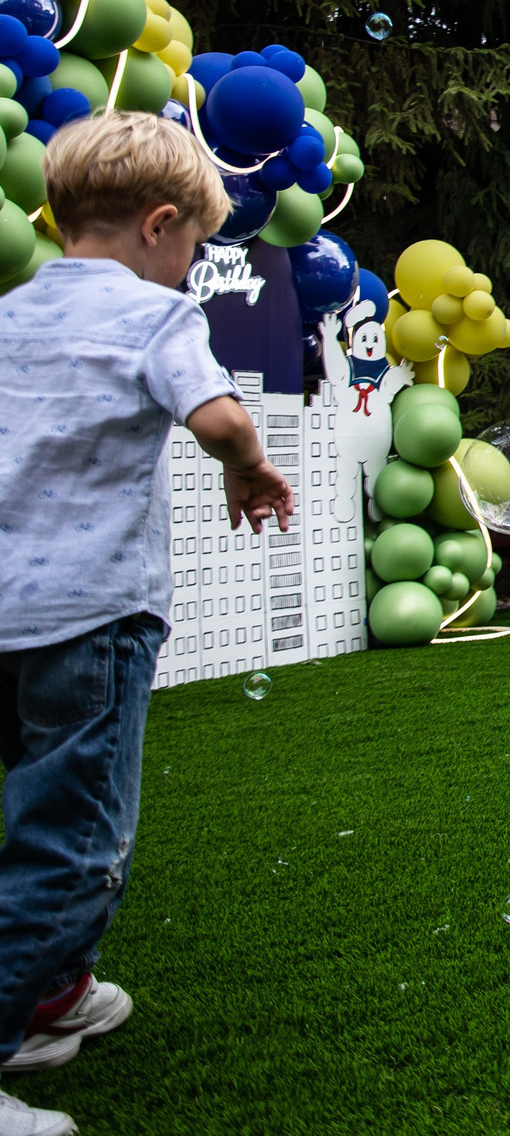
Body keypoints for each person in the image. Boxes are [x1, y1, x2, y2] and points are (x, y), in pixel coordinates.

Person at [0, 112, 295, 1136]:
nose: (185, 273)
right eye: (189, 251)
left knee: (27, 817)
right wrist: (250, 466)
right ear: (159, 225)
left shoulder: (10, 312)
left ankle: (52, 995)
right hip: (90, 620)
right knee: (76, 843)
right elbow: (216, 415)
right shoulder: (155, 316)